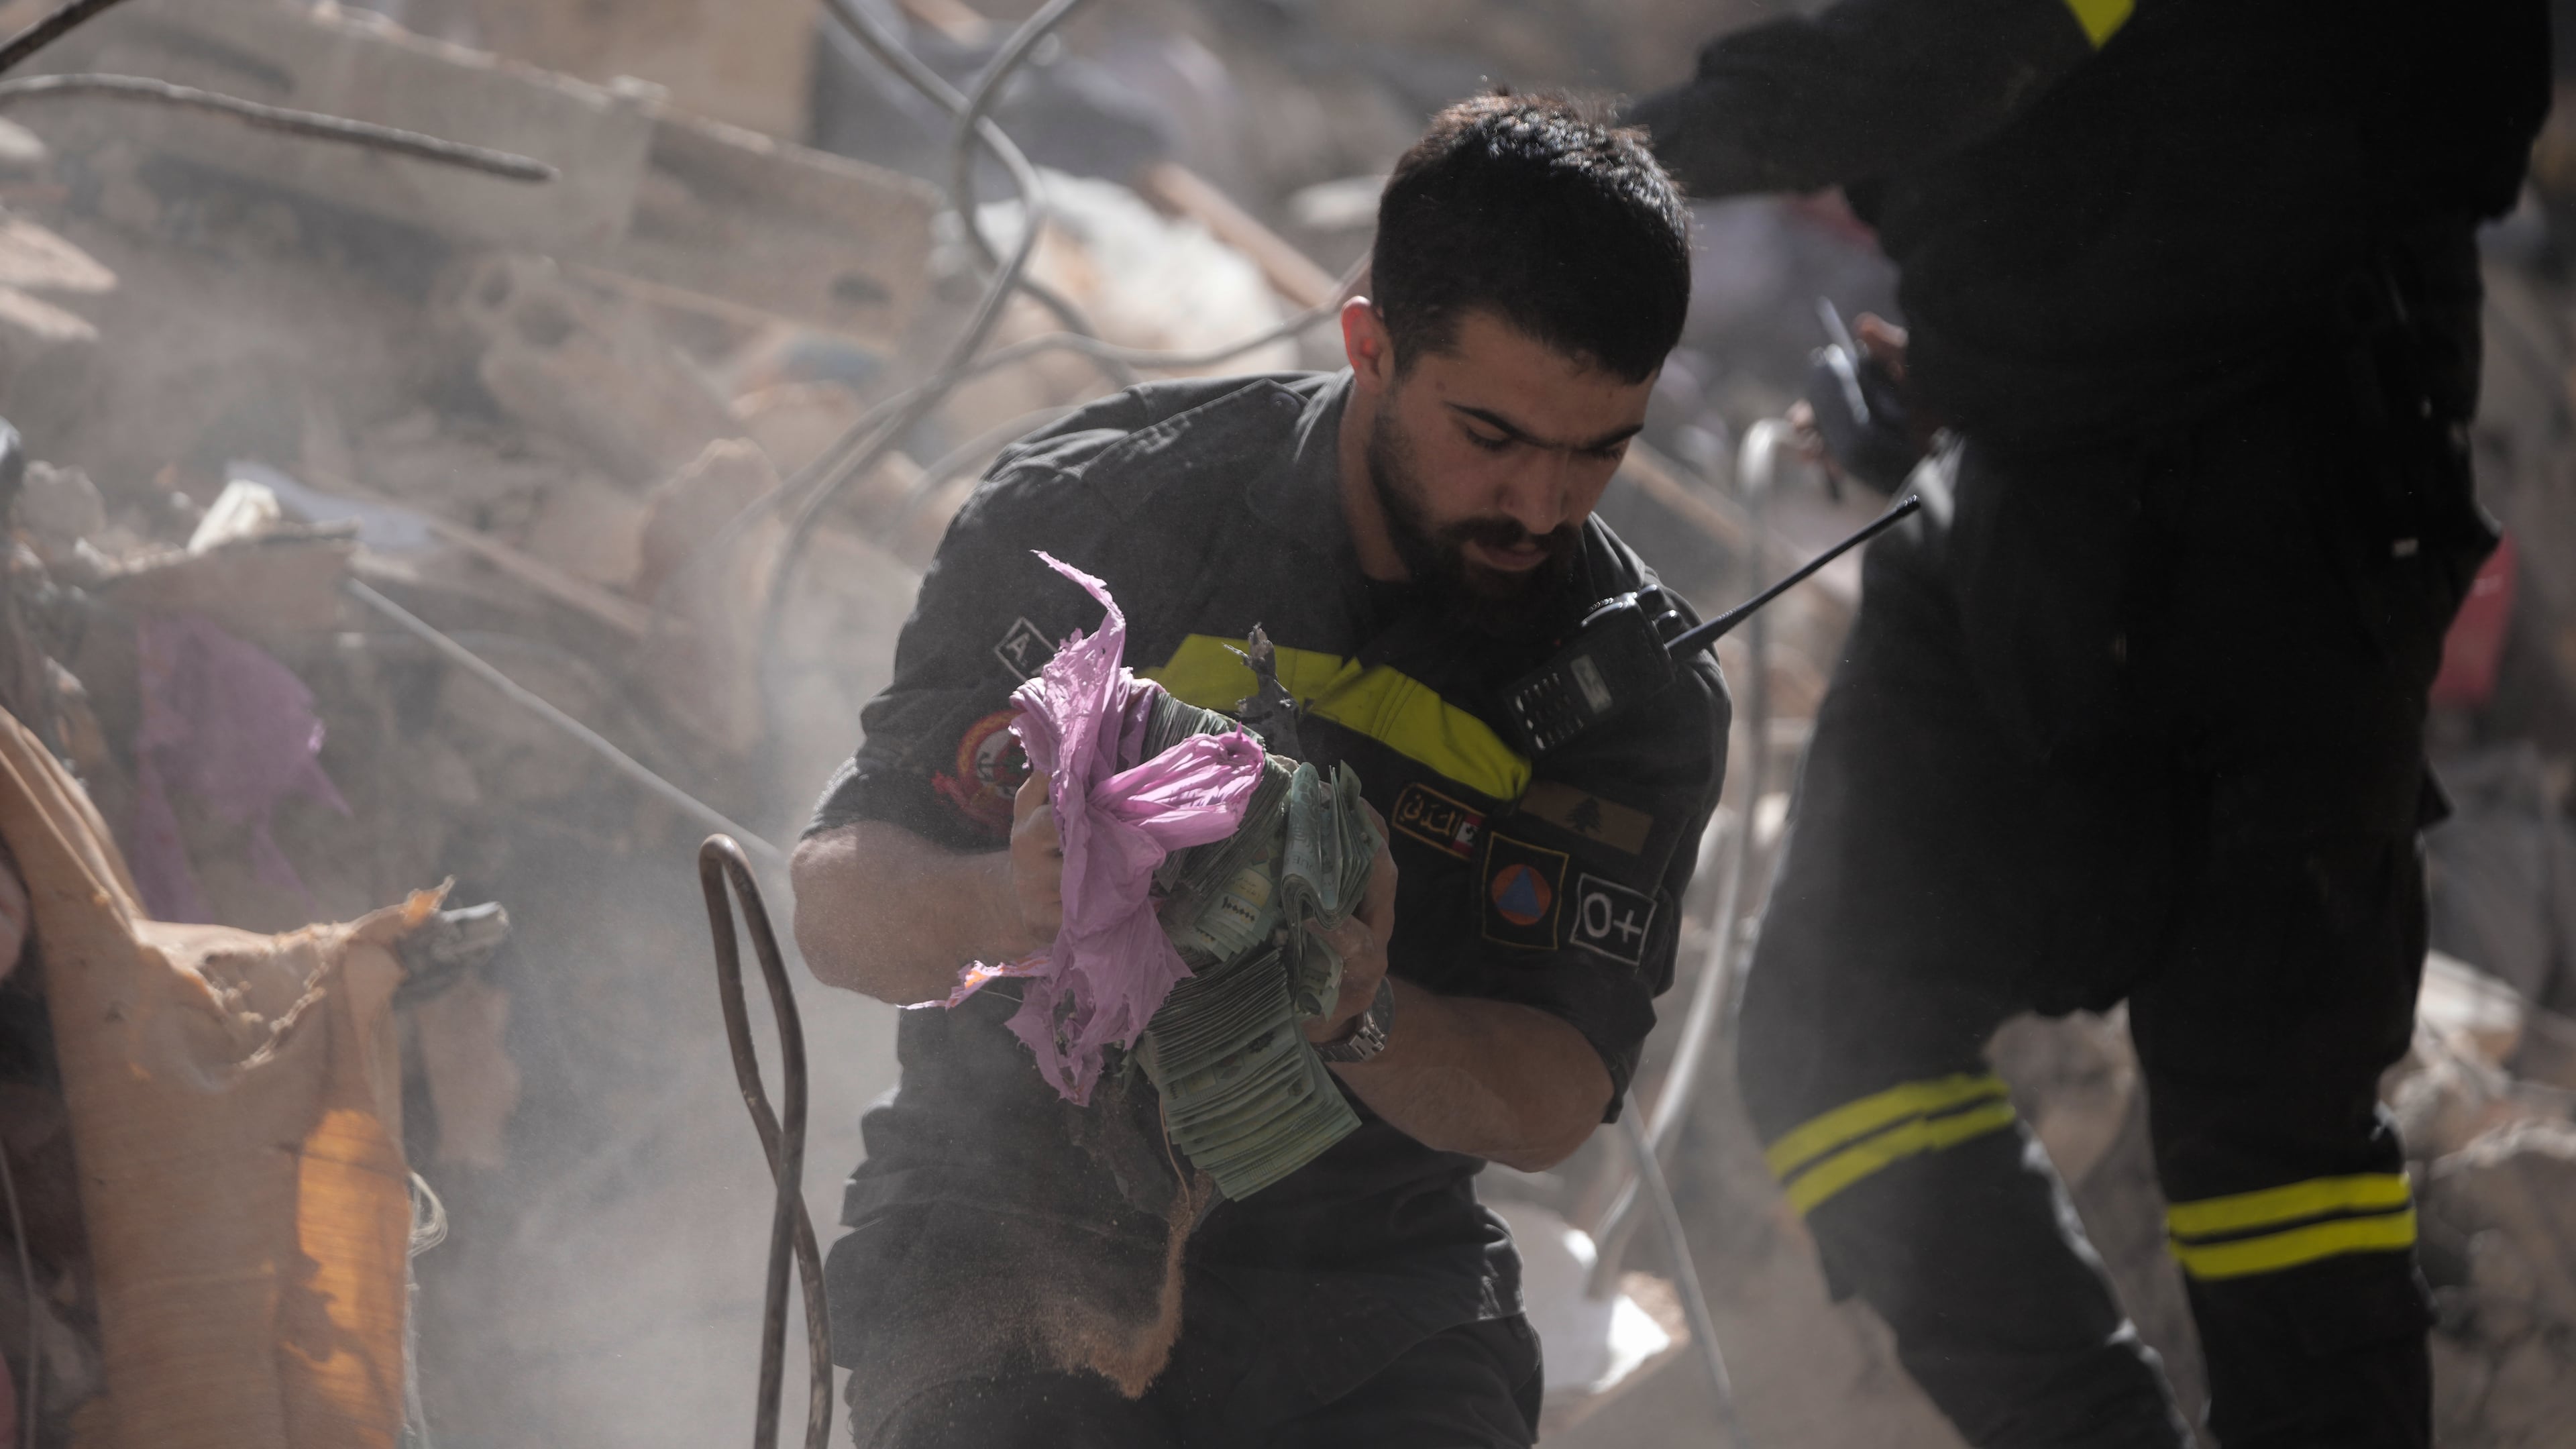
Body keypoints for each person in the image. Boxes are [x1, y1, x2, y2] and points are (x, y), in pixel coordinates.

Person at [1625, 3, 2548, 1446]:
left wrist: (1606, 154)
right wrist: (1983, 361)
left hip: (2281, 526)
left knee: (2270, 1152)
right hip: (2039, 487)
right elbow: (2087, 120)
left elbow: (1969, 45)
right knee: (1834, 1039)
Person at [790, 93, 1728, 1449]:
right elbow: (834, 908)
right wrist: (1019, 898)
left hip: (1367, 1293)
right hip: (1007, 1232)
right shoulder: (1102, 515)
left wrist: (1361, 1013)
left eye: (1600, 451)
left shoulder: (1631, 691)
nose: (1542, 506)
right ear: (1370, 345)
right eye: (1493, 438)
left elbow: (1554, 1095)